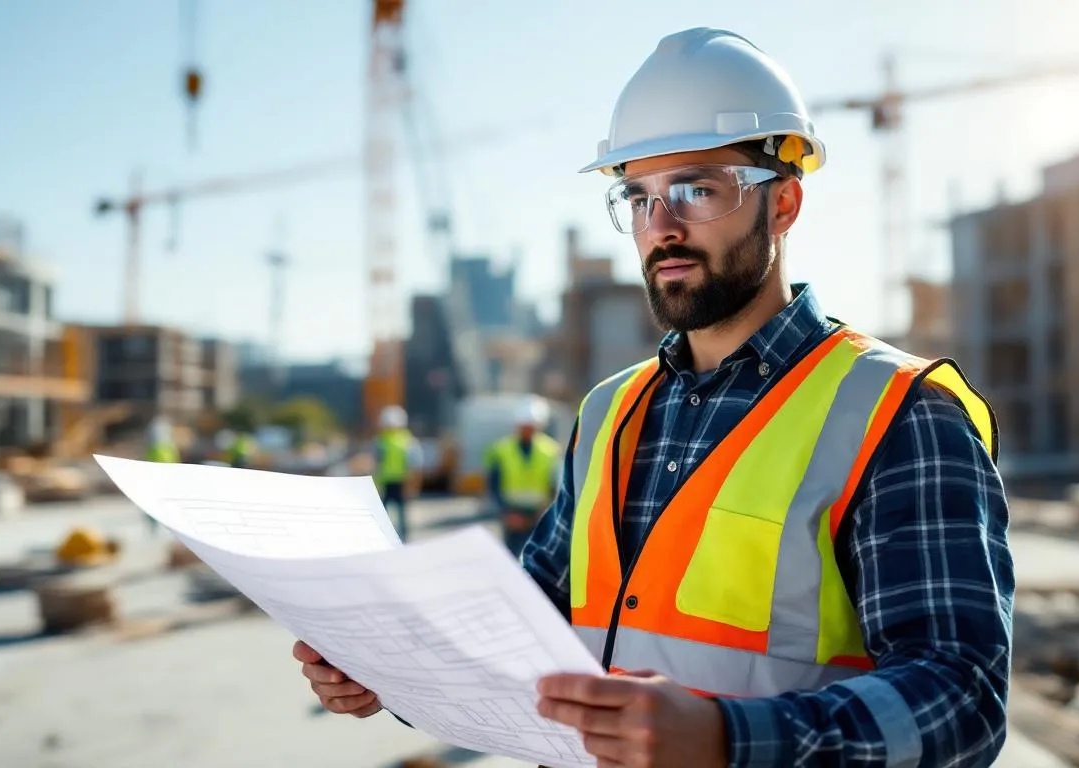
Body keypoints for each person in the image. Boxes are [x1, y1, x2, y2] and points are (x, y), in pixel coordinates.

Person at [293, 27, 1012, 768]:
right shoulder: (610, 409)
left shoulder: (898, 411)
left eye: (697, 189)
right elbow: (528, 617)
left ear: (786, 204)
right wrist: (391, 666)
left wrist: (727, 741)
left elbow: (961, 698)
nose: (660, 228)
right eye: (637, 197)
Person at [483, 398, 562, 557]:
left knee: (538, 561)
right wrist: (506, 513)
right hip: (512, 515)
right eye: (524, 426)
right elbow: (493, 485)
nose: (527, 430)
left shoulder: (551, 450)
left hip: (540, 516)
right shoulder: (501, 450)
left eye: (531, 427)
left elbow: (557, 486)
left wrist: (544, 512)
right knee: (512, 560)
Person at [372, 404, 422, 541]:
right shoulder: (382, 440)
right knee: (384, 514)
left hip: (401, 482)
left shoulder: (406, 441)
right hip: (386, 482)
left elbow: (414, 465)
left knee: (401, 515)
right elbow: (377, 462)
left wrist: (412, 485)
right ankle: (384, 538)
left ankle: (402, 540)